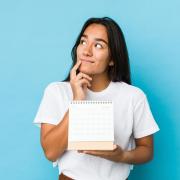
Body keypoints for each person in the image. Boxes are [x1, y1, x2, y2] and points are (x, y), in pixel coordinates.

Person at [33, 17, 160, 180]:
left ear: (113, 58)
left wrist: (121, 156)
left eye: (98, 45)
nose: (86, 51)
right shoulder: (56, 91)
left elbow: (147, 150)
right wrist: (77, 102)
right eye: (83, 42)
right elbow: (51, 153)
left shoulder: (133, 96)